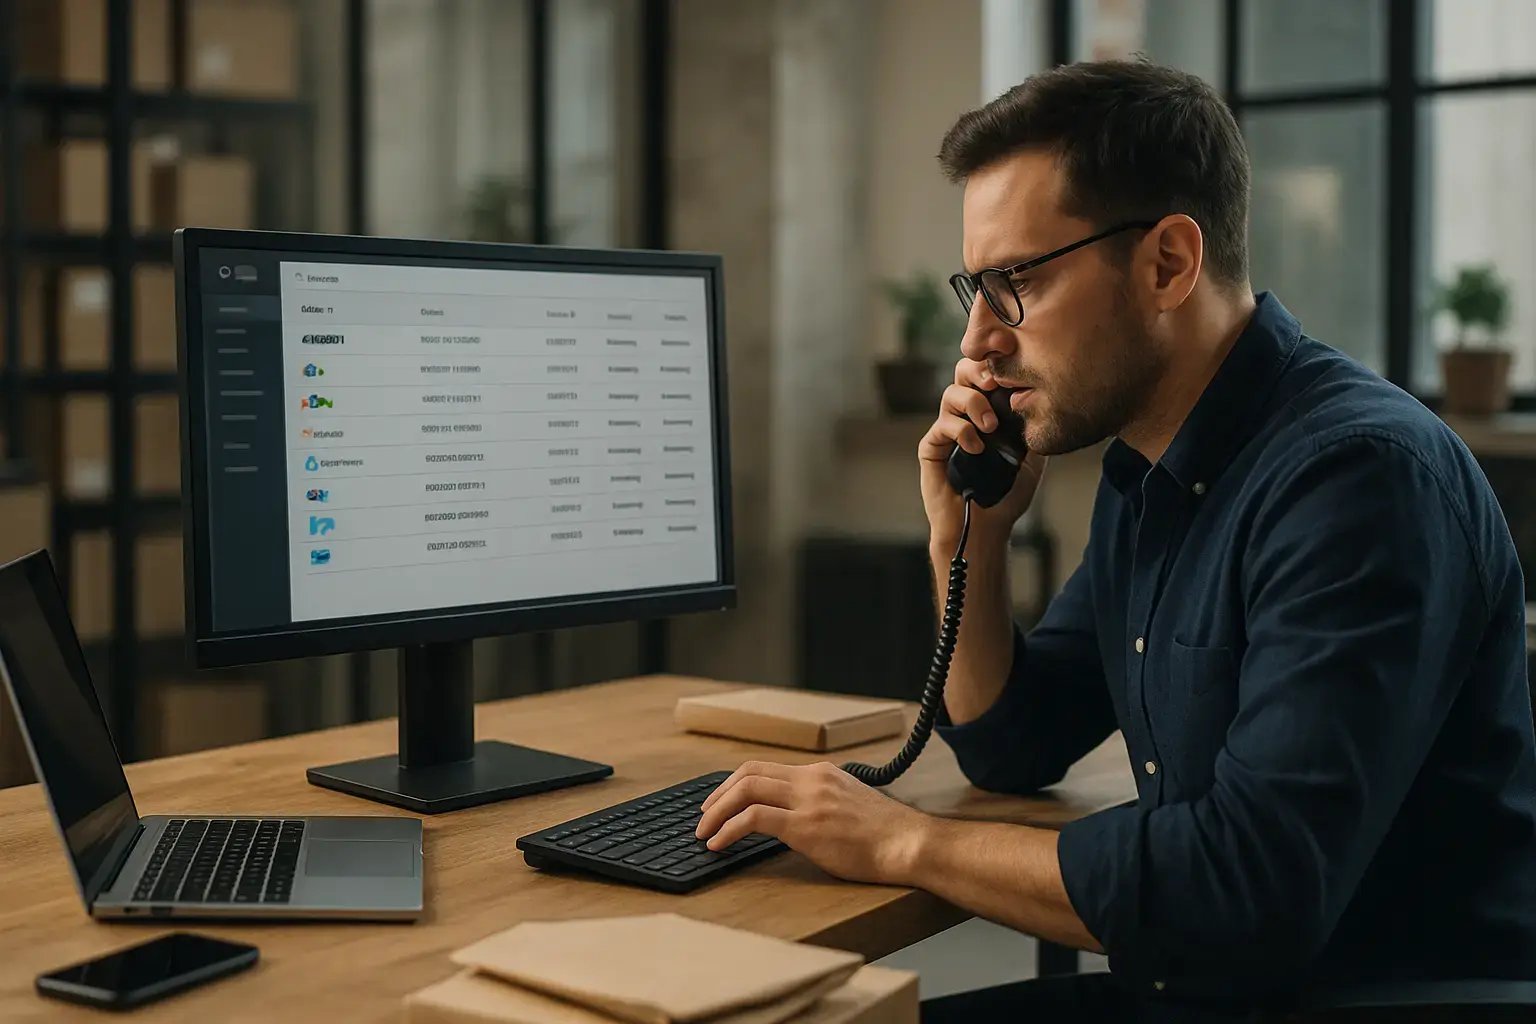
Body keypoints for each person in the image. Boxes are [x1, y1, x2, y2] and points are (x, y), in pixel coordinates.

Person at [693, 59, 1536, 1021]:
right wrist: (967, 538)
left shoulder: (1359, 481)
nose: (977, 342)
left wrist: (900, 841)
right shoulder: (1151, 466)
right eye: (976, 286)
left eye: (1018, 282)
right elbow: (1014, 742)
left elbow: (1244, 890)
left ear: (1169, 263)